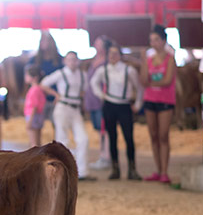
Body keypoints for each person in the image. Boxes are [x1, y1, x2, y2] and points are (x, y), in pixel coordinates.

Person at [89, 44, 143, 181]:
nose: (112, 56)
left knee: (128, 138)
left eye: (115, 53)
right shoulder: (103, 70)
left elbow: (139, 87)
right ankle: (115, 168)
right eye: (110, 54)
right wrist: (101, 95)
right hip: (109, 105)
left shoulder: (128, 70)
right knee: (112, 138)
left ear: (120, 55)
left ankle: (132, 168)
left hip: (124, 105)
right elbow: (93, 82)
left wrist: (137, 104)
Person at [41, 51, 94, 181]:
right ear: (65, 61)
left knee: (83, 139)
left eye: (74, 60)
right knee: (63, 140)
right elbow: (44, 84)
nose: (72, 62)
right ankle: (63, 171)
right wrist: (56, 94)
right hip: (63, 107)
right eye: (69, 60)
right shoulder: (61, 73)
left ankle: (82, 171)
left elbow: (84, 90)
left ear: (78, 61)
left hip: (75, 109)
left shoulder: (83, 75)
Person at [140, 25, 177, 184]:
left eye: (156, 40)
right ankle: (158, 170)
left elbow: (168, 80)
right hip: (150, 100)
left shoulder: (170, 59)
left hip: (165, 101)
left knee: (163, 135)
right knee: (154, 136)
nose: (153, 43)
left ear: (163, 41)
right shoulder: (148, 60)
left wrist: (152, 82)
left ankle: (164, 171)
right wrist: (143, 62)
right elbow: (143, 80)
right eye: (151, 40)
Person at [84, 35, 113, 171]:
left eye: (98, 43)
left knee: (104, 129)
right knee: (98, 128)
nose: (95, 44)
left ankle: (105, 156)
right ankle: (104, 155)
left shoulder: (106, 62)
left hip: (101, 99)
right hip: (92, 99)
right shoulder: (95, 60)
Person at [29, 30, 63, 127]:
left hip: (54, 97)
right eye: (42, 41)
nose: (43, 43)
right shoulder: (35, 60)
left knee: (56, 124)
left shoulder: (59, 60)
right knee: (36, 125)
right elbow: (28, 76)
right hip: (39, 97)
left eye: (46, 40)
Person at [23, 65, 46, 147]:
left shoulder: (34, 90)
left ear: (34, 77)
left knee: (33, 143)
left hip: (33, 116)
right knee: (38, 141)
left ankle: (36, 159)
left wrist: (30, 121)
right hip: (39, 115)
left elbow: (34, 106)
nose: (25, 77)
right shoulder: (39, 88)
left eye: (27, 75)